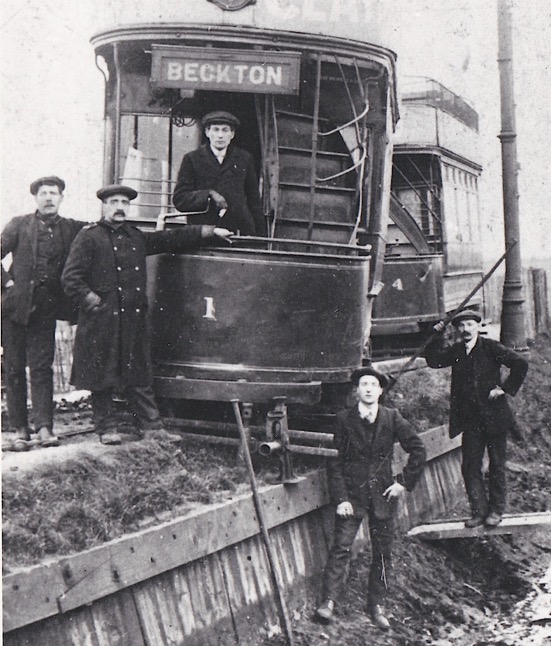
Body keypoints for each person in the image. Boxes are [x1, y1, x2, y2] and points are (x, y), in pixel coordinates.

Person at [61, 184, 234, 445]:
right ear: (104, 205)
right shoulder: (89, 237)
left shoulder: (135, 237)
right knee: (102, 376)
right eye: (114, 202)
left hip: (132, 319)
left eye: (124, 202)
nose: (120, 207)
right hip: (102, 320)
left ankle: (153, 428)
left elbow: (169, 239)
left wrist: (208, 231)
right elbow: (71, 278)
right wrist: (93, 301)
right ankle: (106, 428)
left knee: (139, 374)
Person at [316, 367, 426, 630]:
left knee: (383, 553)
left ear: (380, 391)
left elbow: (418, 449)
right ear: (356, 391)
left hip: (383, 496)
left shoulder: (392, 417)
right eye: (363, 384)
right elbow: (334, 462)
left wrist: (403, 484)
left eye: (372, 385)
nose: (367, 388)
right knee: (341, 547)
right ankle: (328, 603)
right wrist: (341, 498)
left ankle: (376, 605)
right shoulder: (343, 419)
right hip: (352, 497)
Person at [1, 176, 87, 451]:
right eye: (44, 193)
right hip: (14, 309)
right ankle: (19, 430)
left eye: (54, 193)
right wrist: (6, 284)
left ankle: (44, 427)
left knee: (41, 369)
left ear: (62, 198)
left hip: (46, 310)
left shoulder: (72, 228)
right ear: (36, 198)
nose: (49, 197)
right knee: (14, 370)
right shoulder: (19, 225)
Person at [424, 310, 528, 528]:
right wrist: (436, 336)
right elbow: (433, 360)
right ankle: (479, 512)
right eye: (461, 326)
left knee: (497, 465)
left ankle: (496, 511)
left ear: (477, 327)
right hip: (471, 421)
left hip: (495, 418)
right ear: (457, 330)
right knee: (470, 466)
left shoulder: (491, 348)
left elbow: (520, 364)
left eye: (470, 325)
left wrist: (504, 389)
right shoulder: (457, 351)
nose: (465, 330)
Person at [172, 111, 265, 236]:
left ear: (232, 134)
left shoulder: (244, 159)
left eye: (225, 130)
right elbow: (180, 200)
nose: (220, 135)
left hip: (238, 232)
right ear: (207, 132)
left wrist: (260, 236)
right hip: (204, 234)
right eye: (215, 130)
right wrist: (208, 194)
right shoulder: (192, 159)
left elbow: (254, 201)